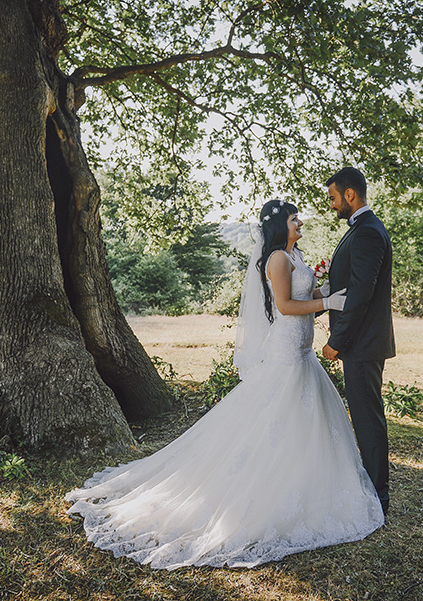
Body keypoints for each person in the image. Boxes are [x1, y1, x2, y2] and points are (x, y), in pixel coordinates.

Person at [66, 199, 384, 570]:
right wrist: (328, 302)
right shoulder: (277, 259)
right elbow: (284, 306)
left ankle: (308, 482)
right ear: (280, 225)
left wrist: (324, 294)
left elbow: (304, 297)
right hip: (285, 351)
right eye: (294, 218)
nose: (300, 223)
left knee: (308, 419)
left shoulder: (295, 256)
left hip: (303, 351)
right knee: (276, 417)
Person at [321, 167, 395, 515]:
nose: (332, 204)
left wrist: (337, 340)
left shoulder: (367, 232)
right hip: (363, 343)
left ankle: (378, 496)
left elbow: (361, 295)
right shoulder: (362, 229)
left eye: (333, 197)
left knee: (367, 420)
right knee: (366, 417)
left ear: (349, 194)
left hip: (362, 344)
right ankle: (373, 488)